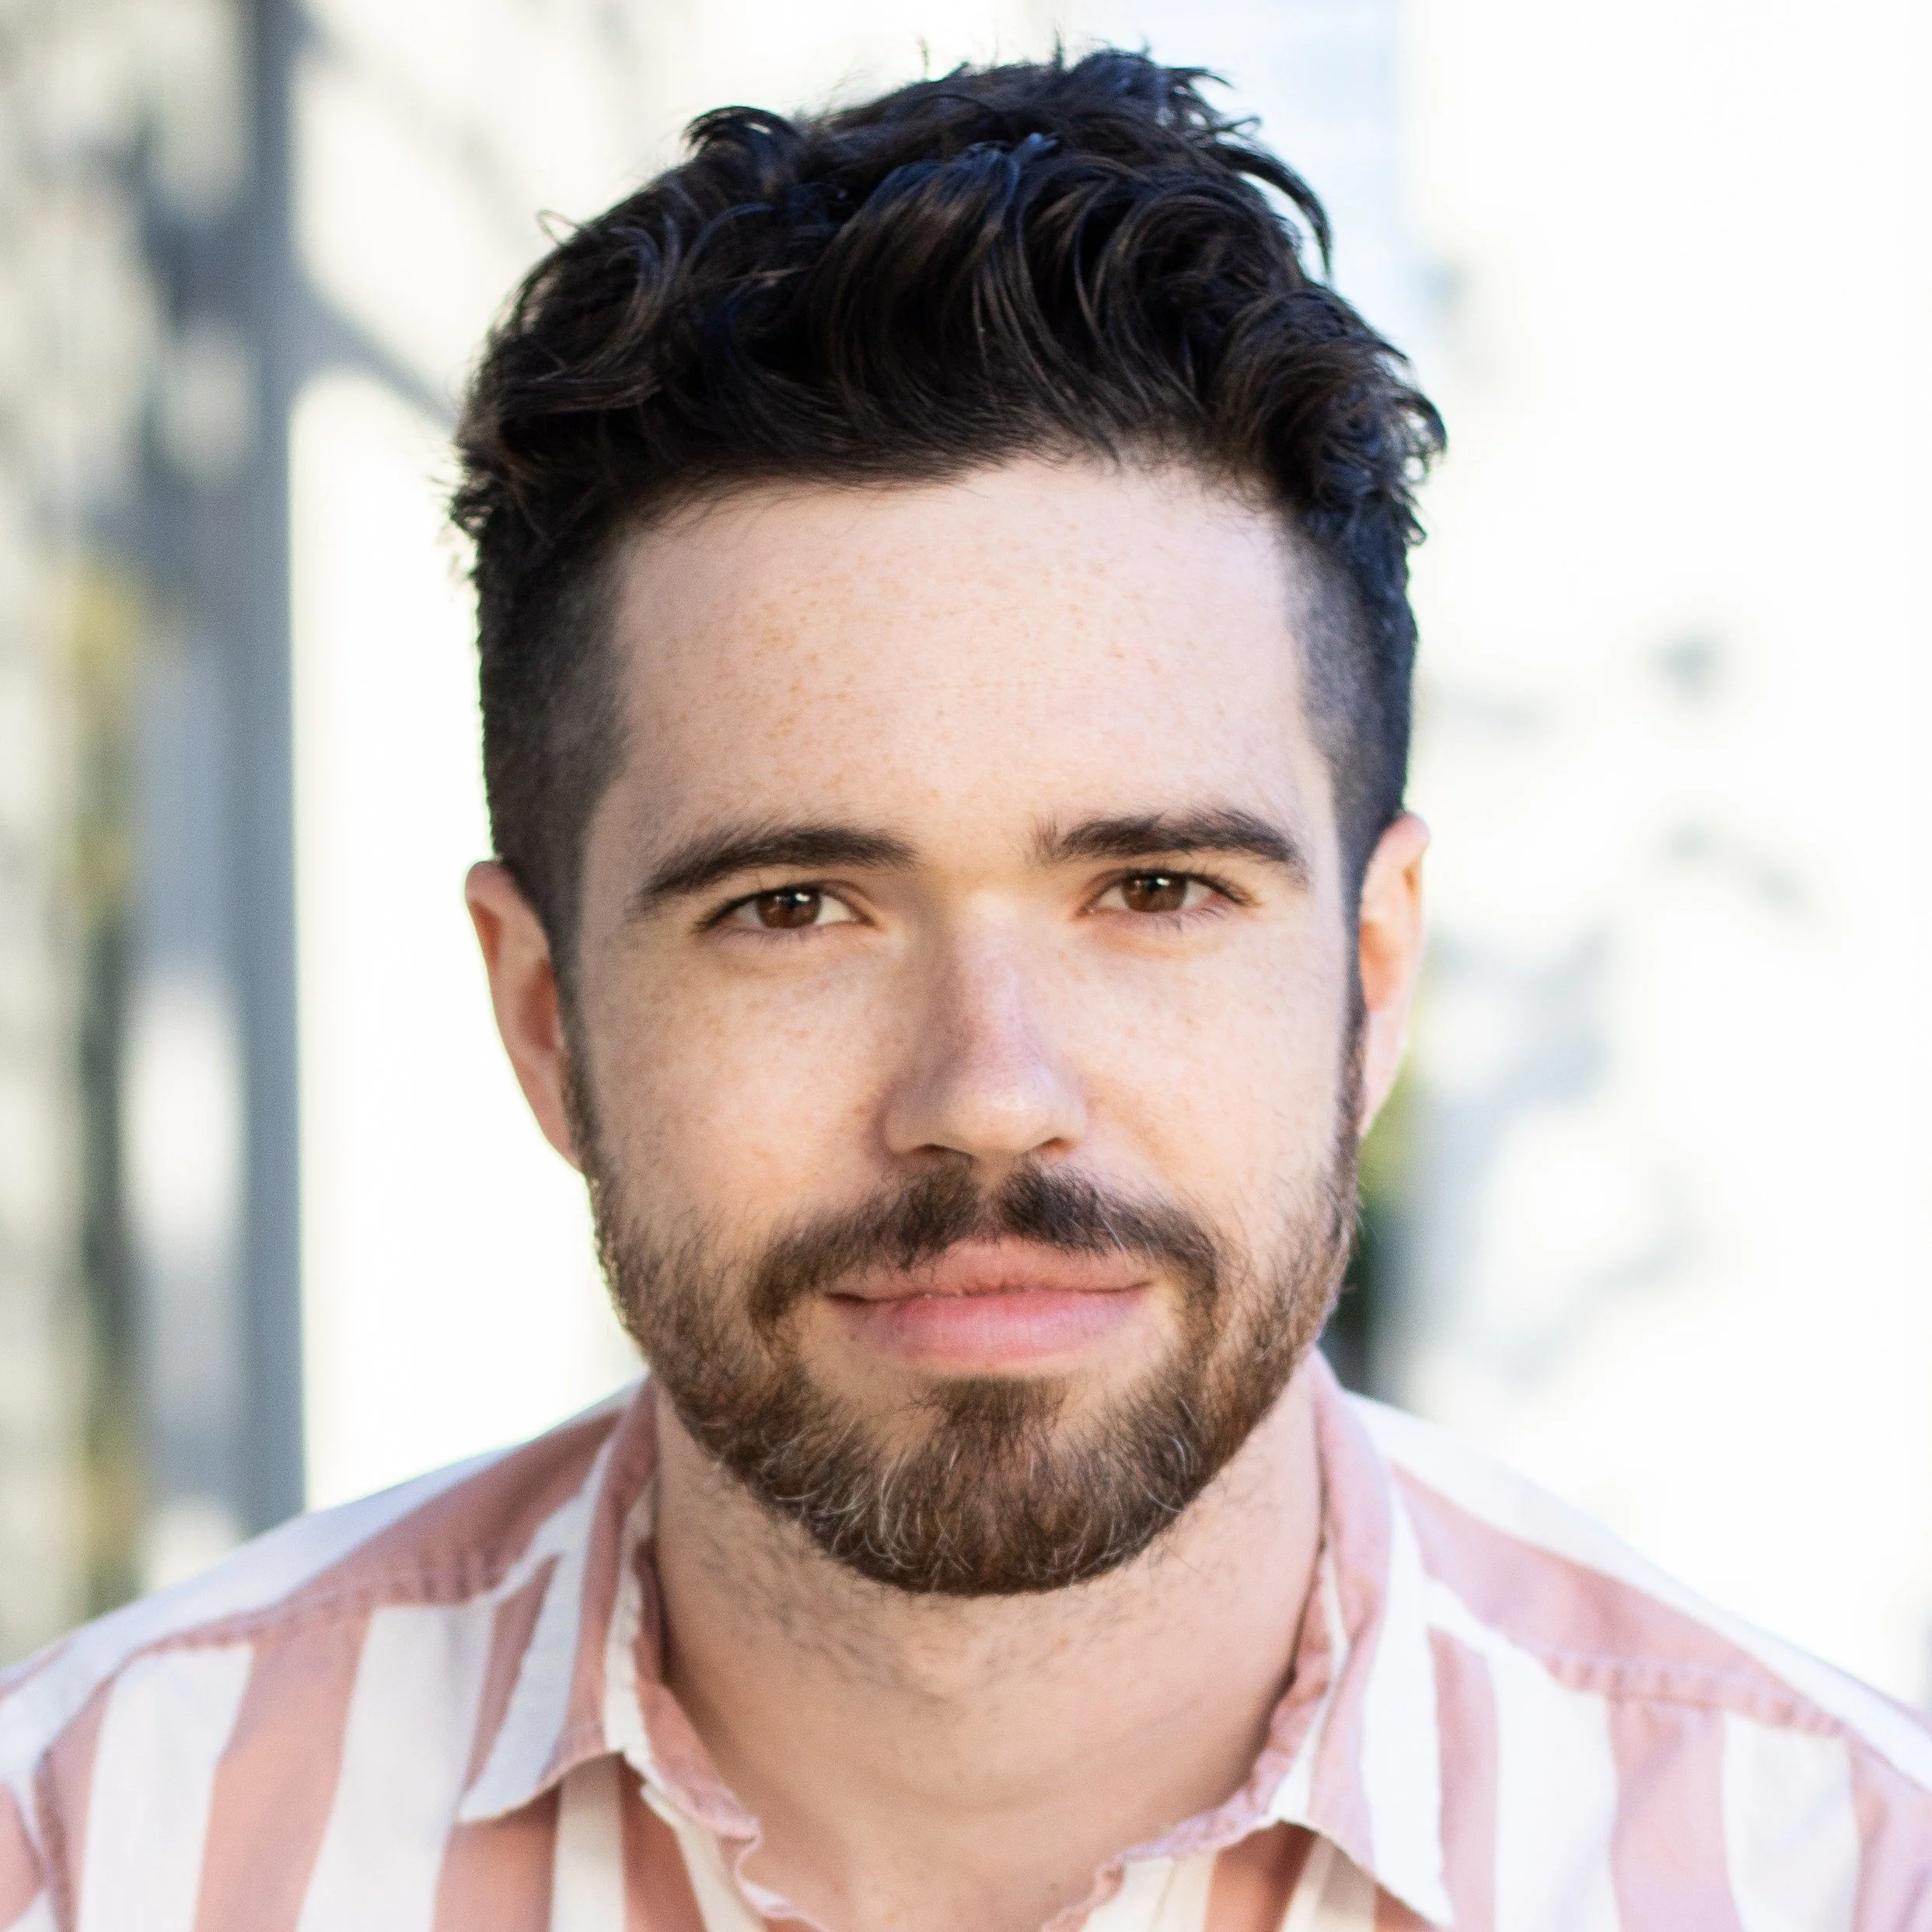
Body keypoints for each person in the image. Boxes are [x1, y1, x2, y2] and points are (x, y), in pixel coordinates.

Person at [3, 49, 1928, 1932]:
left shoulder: (1836, 1877)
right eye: (794, 908)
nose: (991, 1092)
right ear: (548, 1016)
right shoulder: (94, 1852)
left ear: (1370, 973)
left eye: (1157, 888)